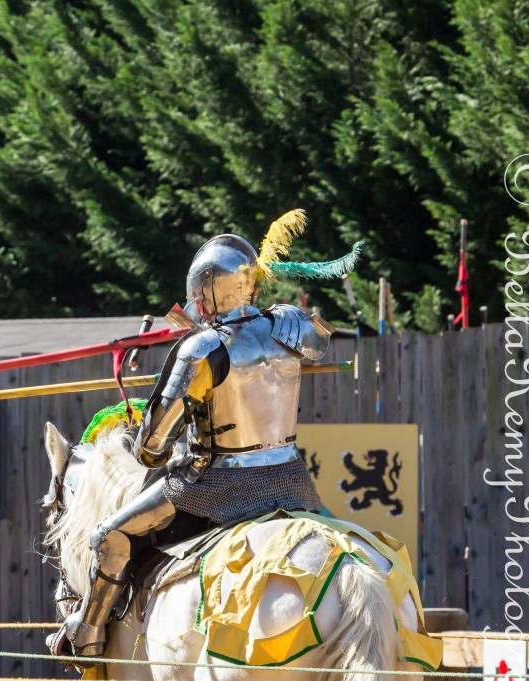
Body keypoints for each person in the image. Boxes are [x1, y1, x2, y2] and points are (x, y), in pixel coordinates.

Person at [50, 229, 343, 659]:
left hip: (216, 483)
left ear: (203, 291)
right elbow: (319, 339)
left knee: (108, 535)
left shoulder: (202, 348)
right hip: (290, 476)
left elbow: (150, 449)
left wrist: (183, 369)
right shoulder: (289, 324)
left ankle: (88, 632)